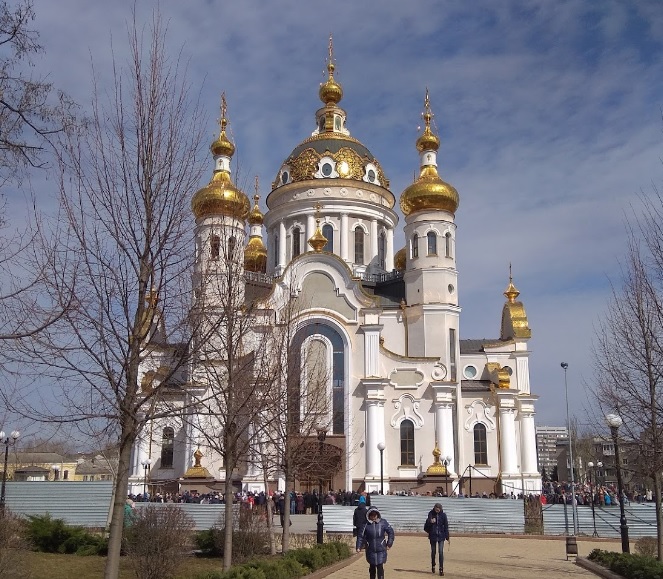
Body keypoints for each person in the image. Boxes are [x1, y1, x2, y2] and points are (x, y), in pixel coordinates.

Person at [356, 506, 394, 579]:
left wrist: (389, 543)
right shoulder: (365, 524)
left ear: (377, 514)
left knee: (380, 566)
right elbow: (360, 536)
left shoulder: (383, 522)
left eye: (375, 514)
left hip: (381, 548)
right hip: (370, 549)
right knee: (372, 567)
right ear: (368, 515)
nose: (373, 516)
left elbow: (391, 532)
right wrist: (358, 546)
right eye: (371, 515)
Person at [424, 502, 450, 576]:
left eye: (438, 510)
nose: (437, 511)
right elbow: (427, 524)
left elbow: (446, 526)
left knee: (441, 552)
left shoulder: (443, 515)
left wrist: (447, 536)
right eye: (436, 509)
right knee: (433, 552)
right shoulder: (431, 514)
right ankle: (433, 564)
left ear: (440, 509)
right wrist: (430, 522)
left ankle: (441, 569)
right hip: (433, 535)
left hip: (441, 536)